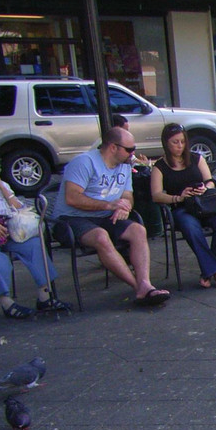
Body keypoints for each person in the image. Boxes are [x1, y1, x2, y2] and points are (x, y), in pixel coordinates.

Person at [51, 127, 171, 307]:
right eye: (129, 149)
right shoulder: (85, 162)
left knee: (138, 230)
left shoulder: (124, 166)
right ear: (113, 147)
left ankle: (145, 283)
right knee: (101, 237)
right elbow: (72, 197)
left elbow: (127, 194)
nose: (133, 154)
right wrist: (109, 205)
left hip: (106, 216)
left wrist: (125, 206)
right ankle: (139, 287)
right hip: (71, 218)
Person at [0, 147, 70, 318]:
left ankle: (44, 296)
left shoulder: (0, 186)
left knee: (34, 244)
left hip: (6, 231)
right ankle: (6, 303)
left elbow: (20, 208)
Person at [150, 124, 216, 289]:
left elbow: (210, 180)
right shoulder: (160, 167)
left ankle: (209, 270)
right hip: (181, 207)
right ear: (166, 143)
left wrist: (204, 188)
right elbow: (156, 194)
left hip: (204, 204)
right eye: (175, 142)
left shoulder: (196, 158)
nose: (180, 146)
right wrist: (178, 197)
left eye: (182, 142)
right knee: (190, 227)